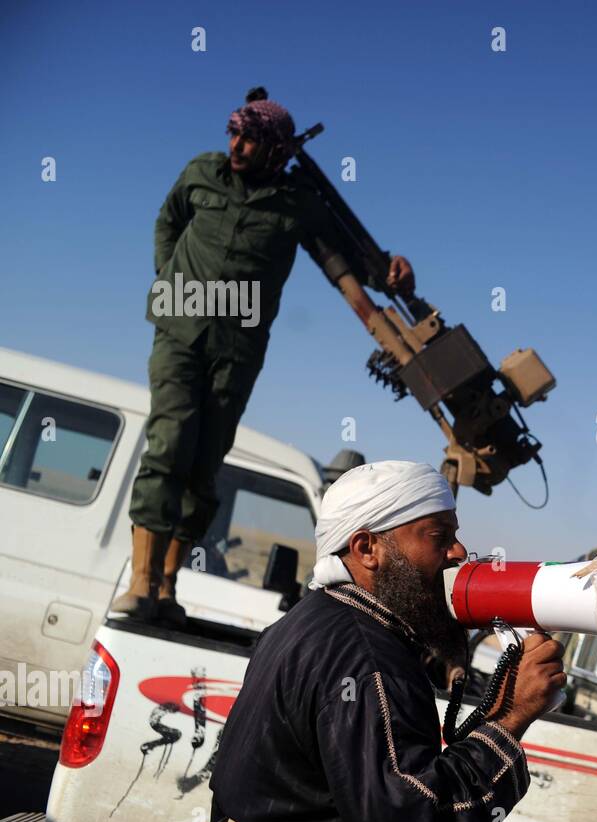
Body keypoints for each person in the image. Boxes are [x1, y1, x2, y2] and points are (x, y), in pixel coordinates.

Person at [112, 88, 415, 626]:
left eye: (249, 139)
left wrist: (388, 269)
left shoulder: (297, 202)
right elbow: (167, 221)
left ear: (274, 149)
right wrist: (169, 277)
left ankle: (168, 586)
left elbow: (340, 259)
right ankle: (140, 583)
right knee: (171, 442)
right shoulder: (202, 172)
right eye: (233, 134)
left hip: (239, 349)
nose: (236, 145)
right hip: (179, 331)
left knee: (205, 463)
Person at [193, 460, 565, 822]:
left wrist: (493, 716)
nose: (458, 552)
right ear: (367, 549)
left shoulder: (314, 617)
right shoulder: (369, 658)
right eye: (440, 536)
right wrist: (511, 720)